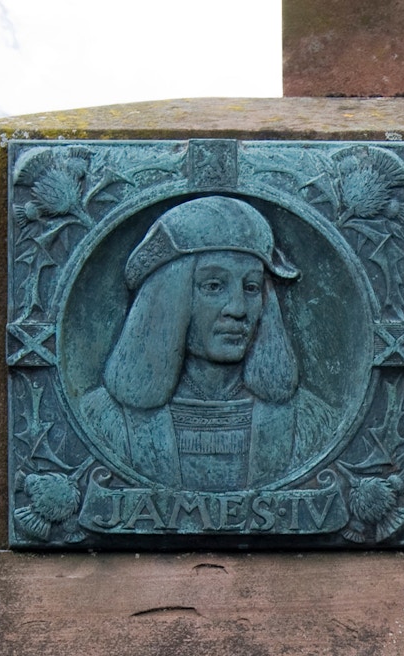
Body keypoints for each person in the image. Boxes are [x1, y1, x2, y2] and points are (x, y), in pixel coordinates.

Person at [81, 196, 335, 491]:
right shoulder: (105, 420)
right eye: (214, 286)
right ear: (169, 300)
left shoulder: (309, 422)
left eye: (251, 287)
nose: (238, 309)